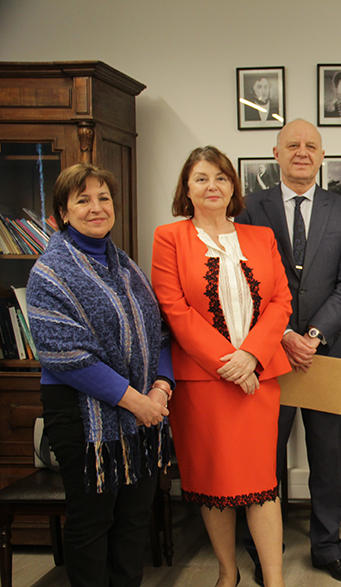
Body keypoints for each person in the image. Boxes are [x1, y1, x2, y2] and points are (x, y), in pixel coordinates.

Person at [151, 146, 292, 587]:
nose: (212, 186)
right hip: (202, 384)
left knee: (262, 482)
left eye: (221, 178)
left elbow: (280, 302)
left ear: (233, 188)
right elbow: (174, 310)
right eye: (201, 178)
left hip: (259, 378)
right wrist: (229, 364)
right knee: (214, 484)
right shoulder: (168, 237)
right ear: (186, 189)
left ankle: (274, 579)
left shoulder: (261, 237)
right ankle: (227, 572)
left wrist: (251, 355)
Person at [27, 163, 172, 587]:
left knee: (133, 520)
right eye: (83, 200)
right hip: (81, 417)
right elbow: (66, 353)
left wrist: (162, 387)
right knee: (93, 523)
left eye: (103, 198)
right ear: (63, 211)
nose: (96, 208)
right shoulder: (49, 272)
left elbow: (160, 333)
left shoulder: (127, 266)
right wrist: (137, 401)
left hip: (143, 414)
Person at [236, 119, 341, 584]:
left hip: (325, 353)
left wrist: (312, 335)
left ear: (322, 155)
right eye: (293, 145)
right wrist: (283, 336)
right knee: (264, 456)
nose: (302, 152)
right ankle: (261, 548)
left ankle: (327, 547)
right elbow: (246, 284)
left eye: (311, 145)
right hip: (269, 353)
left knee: (327, 456)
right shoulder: (250, 208)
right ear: (276, 152)